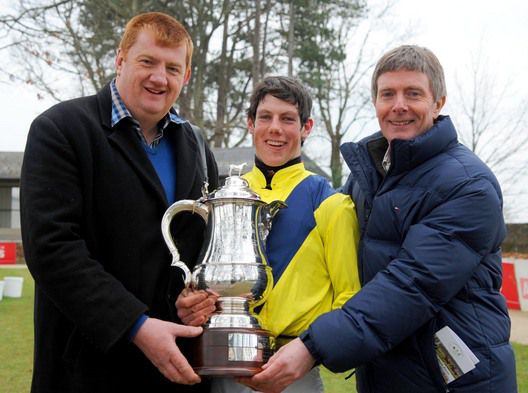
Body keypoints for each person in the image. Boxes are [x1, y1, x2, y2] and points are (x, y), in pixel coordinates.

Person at [245, 45, 518, 393]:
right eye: (388, 93)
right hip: (388, 373)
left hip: (455, 378)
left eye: (413, 93)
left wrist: (313, 344)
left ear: (439, 103)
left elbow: (411, 285)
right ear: (375, 103)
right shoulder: (366, 179)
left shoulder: (468, 185)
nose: (399, 105)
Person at [20, 12, 218, 393]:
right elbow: (51, 249)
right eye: (148, 62)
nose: (159, 77)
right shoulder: (60, 130)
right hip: (88, 370)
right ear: (121, 59)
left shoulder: (195, 143)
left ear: (186, 76)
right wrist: (136, 325)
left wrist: (196, 296)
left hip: (176, 371)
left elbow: (200, 246)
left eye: (173, 68)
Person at [176, 75, 361, 393]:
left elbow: (349, 299)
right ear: (250, 123)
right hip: (222, 364)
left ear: (306, 127)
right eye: (265, 117)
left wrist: (309, 351)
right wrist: (191, 301)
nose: (275, 128)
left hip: (294, 373)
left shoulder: (332, 206)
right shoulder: (222, 199)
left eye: (288, 119)